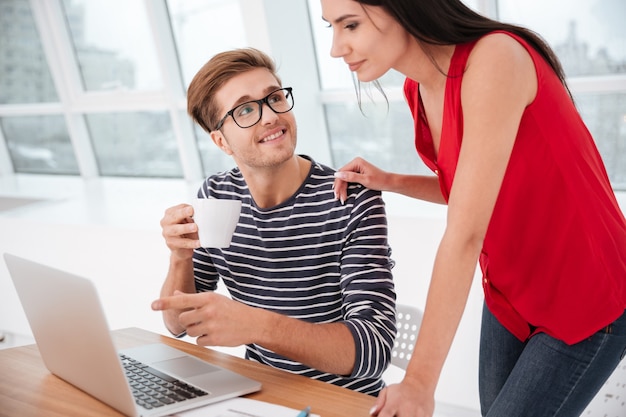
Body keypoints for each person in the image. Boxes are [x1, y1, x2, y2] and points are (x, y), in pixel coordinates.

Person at [321, 0, 626, 416]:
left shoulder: (495, 59)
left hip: (584, 290)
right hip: (511, 289)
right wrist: (389, 181)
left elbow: (464, 234)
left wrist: (418, 383)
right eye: (331, 28)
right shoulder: (420, 88)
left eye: (350, 24)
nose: (337, 48)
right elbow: (472, 194)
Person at [151, 47, 397, 396]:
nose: (269, 116)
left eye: (275, 98)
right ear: (221, 141)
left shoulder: (351, 199)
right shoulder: (216, 195)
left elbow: (374, 351)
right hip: (260, 395)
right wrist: (180, 255)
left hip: (343, 402)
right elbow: (178, 324)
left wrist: (257, 326)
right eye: (246, 109)